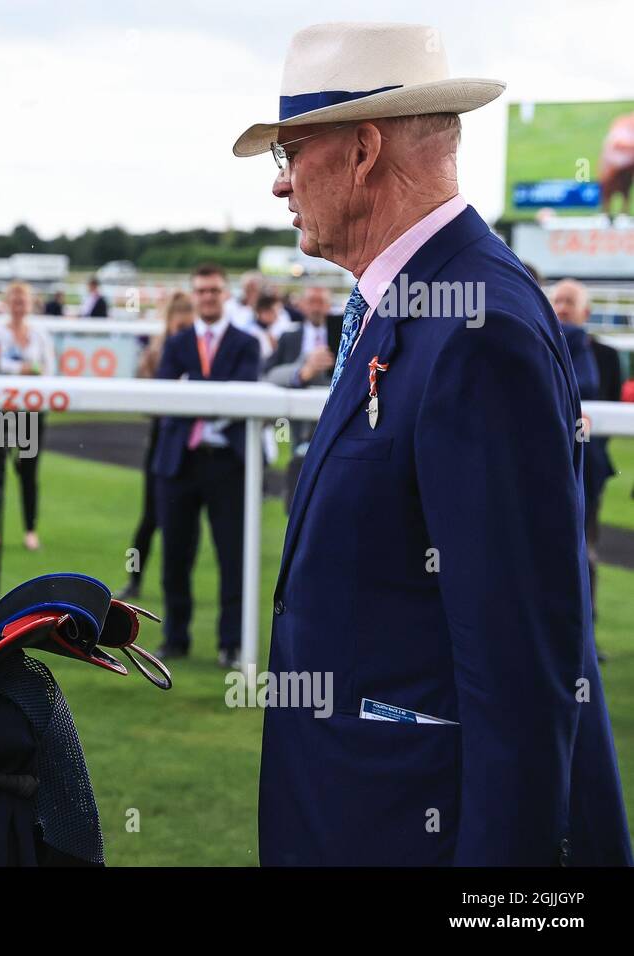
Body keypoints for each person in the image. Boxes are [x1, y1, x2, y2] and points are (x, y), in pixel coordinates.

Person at [235, 21, 630, 865]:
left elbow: (522, 672)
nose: (280, 185)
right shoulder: (422, 298)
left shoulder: (476, 322)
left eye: (289, 152)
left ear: (363, 149)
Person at [152, 264, 260, 666]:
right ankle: (175, 638)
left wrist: (191, 387)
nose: (208, 297)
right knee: (175, 555)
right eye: (201, 292)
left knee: (233, 555)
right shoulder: (177, 342)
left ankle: (231, 642)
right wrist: (212, 391)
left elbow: (243, 392)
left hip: (227, 464)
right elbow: (164, 396)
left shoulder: (246, 343)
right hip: (179, 462)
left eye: (214, 291)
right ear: (193, 296)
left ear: (225, 294)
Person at [117, 290, 198, 600]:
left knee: (187, 524)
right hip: (163, 439)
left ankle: (179, 583)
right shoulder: (157, 350)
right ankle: (135, 579)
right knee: (151, 516)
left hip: (191, 441)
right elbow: (146, 402)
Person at [551, 278, 614, 628]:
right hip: (550, 468)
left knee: (585, 550)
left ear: (585, 312)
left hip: (589, 469)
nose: (561, 308)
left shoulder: (603, 354)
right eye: (557, 300)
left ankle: (585, 632)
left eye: (568, 302)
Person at [0, 281, 55, 552]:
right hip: (0, 410)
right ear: (7, 303)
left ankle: (30, 531)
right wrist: (22, 369)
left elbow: (47, 369)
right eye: (14, 300)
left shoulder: (40, 335)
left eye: (23, 301)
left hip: (30, 413)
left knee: (29, 472)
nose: (19, 306)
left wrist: (28, 370)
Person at [263, 284, 337, 511]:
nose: (316, 308)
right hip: (296, 429)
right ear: (302, 306)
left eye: (321, 302)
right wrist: (302, 372)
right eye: (311, 302)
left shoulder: (345, 333)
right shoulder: (290, 337)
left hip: (332, 423)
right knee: (298, 500)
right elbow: (269, 375)